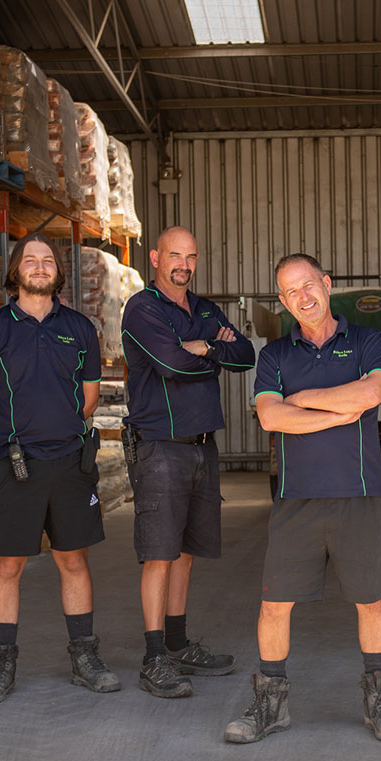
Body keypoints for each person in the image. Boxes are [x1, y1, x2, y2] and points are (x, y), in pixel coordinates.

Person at [225, 253, 381, 744]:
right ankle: (271, 702)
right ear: (282, 303)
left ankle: (380, 697)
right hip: (296, 499)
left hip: (358, 493)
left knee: (371, 600)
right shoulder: (274, 356)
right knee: (274, 605)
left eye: (308, 285)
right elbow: (269, 418)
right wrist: (334, 410)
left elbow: (369, 395)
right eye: (290, 292)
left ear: (326, 284)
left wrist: (300, 398)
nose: (302, 297)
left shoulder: (368, 340)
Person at [0, 231, 119, 704]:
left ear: (57, 270)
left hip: (70, 463)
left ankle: (84, 657)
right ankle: (1, 664)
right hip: (15, 467)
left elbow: (89, 398)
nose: (39, 267)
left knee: (73, 559)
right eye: (30, 260)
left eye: (47, 260)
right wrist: (13, 442)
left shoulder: (80, 328)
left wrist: (57, 434)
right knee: (7, 565)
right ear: (16, 271)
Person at [120, 226, 255, 698]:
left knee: (184, 552)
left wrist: (207, 346)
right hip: (159, 444)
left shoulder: (203, 309)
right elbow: (171, 365)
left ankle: (177, 645)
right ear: (155, 257)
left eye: (191, 256)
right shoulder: (142, 308)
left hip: (201, 444)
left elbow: (243, 354)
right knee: (159, 553)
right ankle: (154, 657)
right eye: (175, 255)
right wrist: (194, 350)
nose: (183, 263)